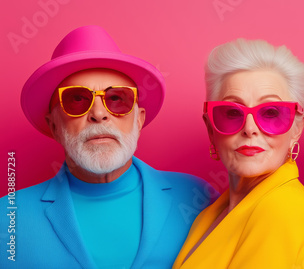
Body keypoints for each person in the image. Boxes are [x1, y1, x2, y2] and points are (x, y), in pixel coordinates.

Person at [0, 25, 216, 268]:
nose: (99, 113)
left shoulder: (199, 198)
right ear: (54, 126)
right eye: (77, 99)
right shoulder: (8, 217)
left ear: (139, 119)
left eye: (116, 99)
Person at [172, 39, 304, 268]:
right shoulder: (213, 212)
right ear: (211, 129)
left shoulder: (281, 207)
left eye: (270, 112)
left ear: (296, 128)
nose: (249, 128)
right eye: (231, 113)